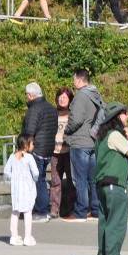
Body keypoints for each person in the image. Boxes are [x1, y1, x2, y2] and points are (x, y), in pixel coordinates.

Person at [94, 103, 128, 255]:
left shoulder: (102, 137)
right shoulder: (115, 135)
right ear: (117, 117)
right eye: (125, 113)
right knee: (116, 224)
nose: (127, 116)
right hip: (115, 184)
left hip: (102, 184)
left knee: (105, 223)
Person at [64, 69, 104, 222]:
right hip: (93, 140)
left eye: (74, 79)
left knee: (80, 179)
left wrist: (66, 131)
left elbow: (76, 119)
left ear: (80, 80)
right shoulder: (95, 94)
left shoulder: (81, 95)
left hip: (80, 142)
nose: (73, 82)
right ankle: (95, 210)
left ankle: (80, 211)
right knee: (92, 179)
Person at [21, 82, 57, 223]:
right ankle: (43, 209)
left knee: (38, 180)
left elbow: (29, 132)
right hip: (48, 149)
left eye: (27, 95)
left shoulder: (33, 110)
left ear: (30, 95)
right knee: (40, 178)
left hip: (36, 149)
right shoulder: (51, 108)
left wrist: (24, 149)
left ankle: (41, 211)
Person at [4, 135, 39, 247]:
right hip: (27, 188)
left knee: (15, 212)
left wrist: (13, 178)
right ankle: (27, 237)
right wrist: (35, 180)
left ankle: (14, 236)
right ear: (25, 145)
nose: (33, 145)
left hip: (16, 189)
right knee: (27, 212)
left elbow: (6, 172)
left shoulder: (12, 156)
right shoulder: (29, 157)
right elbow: (36, 173)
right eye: (32, 143)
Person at [51, 87, 74, 218]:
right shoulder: (53, 113)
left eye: (65, 97)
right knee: (55, 182)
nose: (62, 99)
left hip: (69, 152)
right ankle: (54, 209)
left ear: (70, 99)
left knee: (71, 181)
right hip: (55, 152)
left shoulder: (73, 114)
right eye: (60, 97)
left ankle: (71, 209)